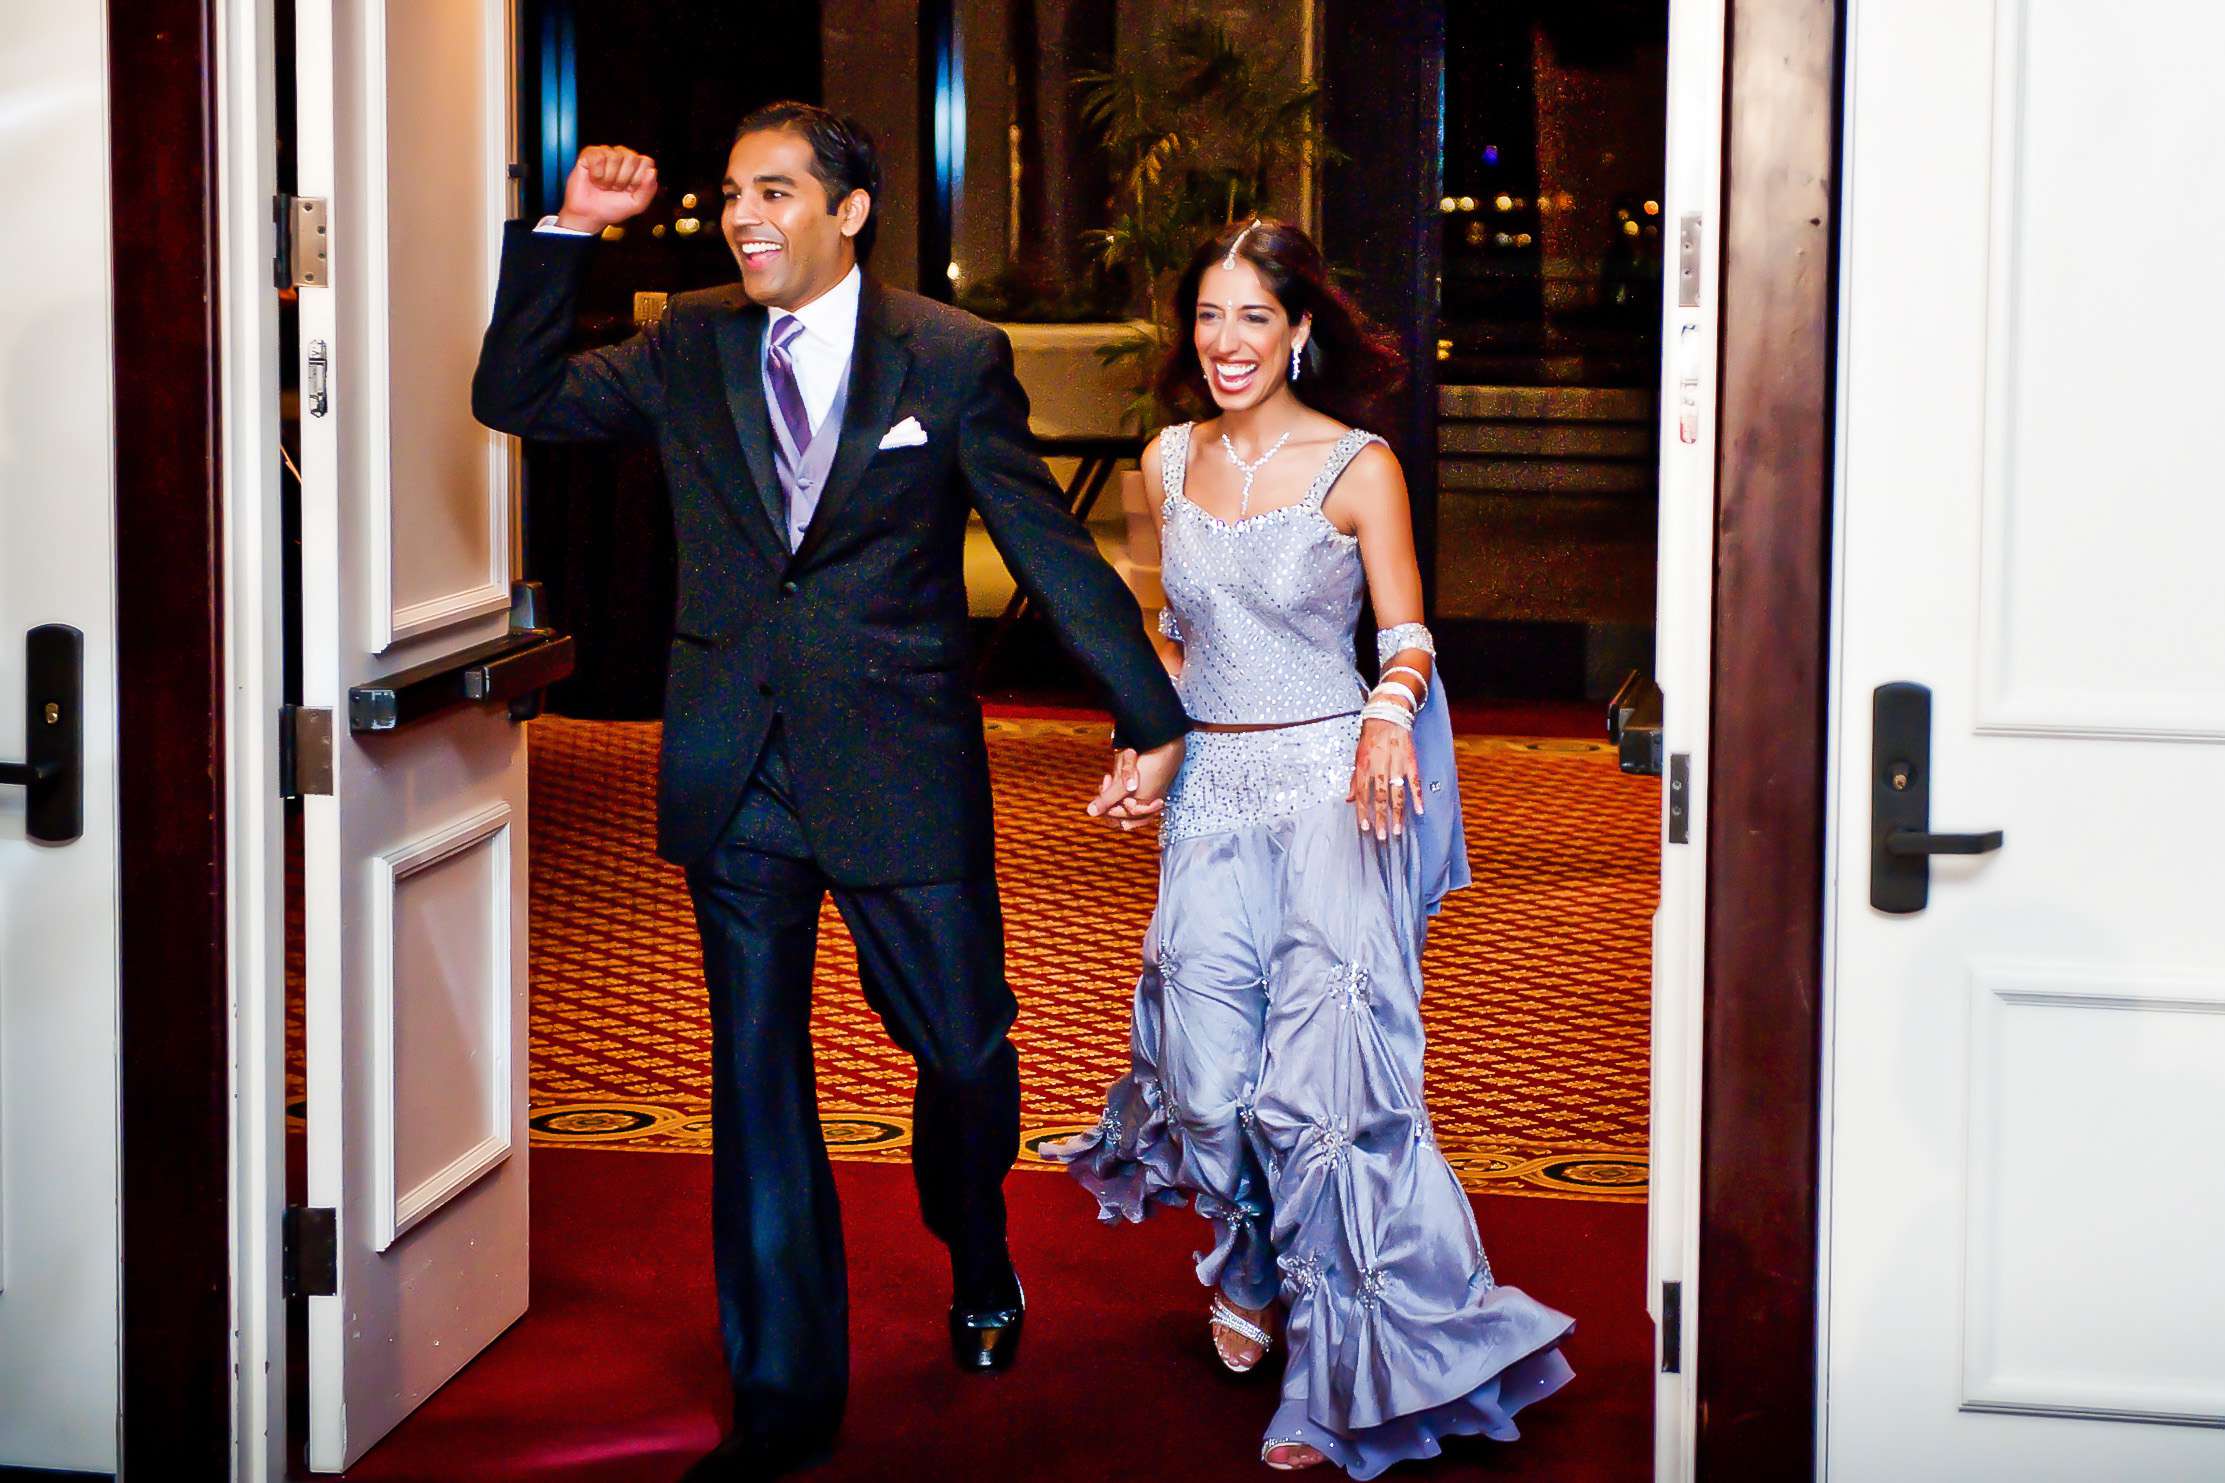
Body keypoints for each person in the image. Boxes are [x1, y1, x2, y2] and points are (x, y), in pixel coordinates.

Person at [471, 103, 1189, 1482]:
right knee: (756, 1081)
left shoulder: (950, 354)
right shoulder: (690, 343)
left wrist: (1148, 714)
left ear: (848, 211)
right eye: (734, 193)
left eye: (777, 193)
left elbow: (1043, 544)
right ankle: (785, 1399)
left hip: (901, 764)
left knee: (966, 1052)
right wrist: (568, 232)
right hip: (736, 764)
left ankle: (975, 1245)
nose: (745, 217)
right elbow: (520, 400)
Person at [1049, 218, 1574, 1476]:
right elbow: (1164, 638)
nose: (1226, 343)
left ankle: (1342, 1377)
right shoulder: (1163, 461)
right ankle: (1243, 1264)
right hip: (1213, 792)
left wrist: (1390, 719)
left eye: (1252, 319)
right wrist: (1146, 747)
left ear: (1298, 331)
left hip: (1336, 791)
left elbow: (1404, 631)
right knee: (1204, 1069)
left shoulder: (1356, 465)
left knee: (1322, 1100)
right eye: (1209, 317)